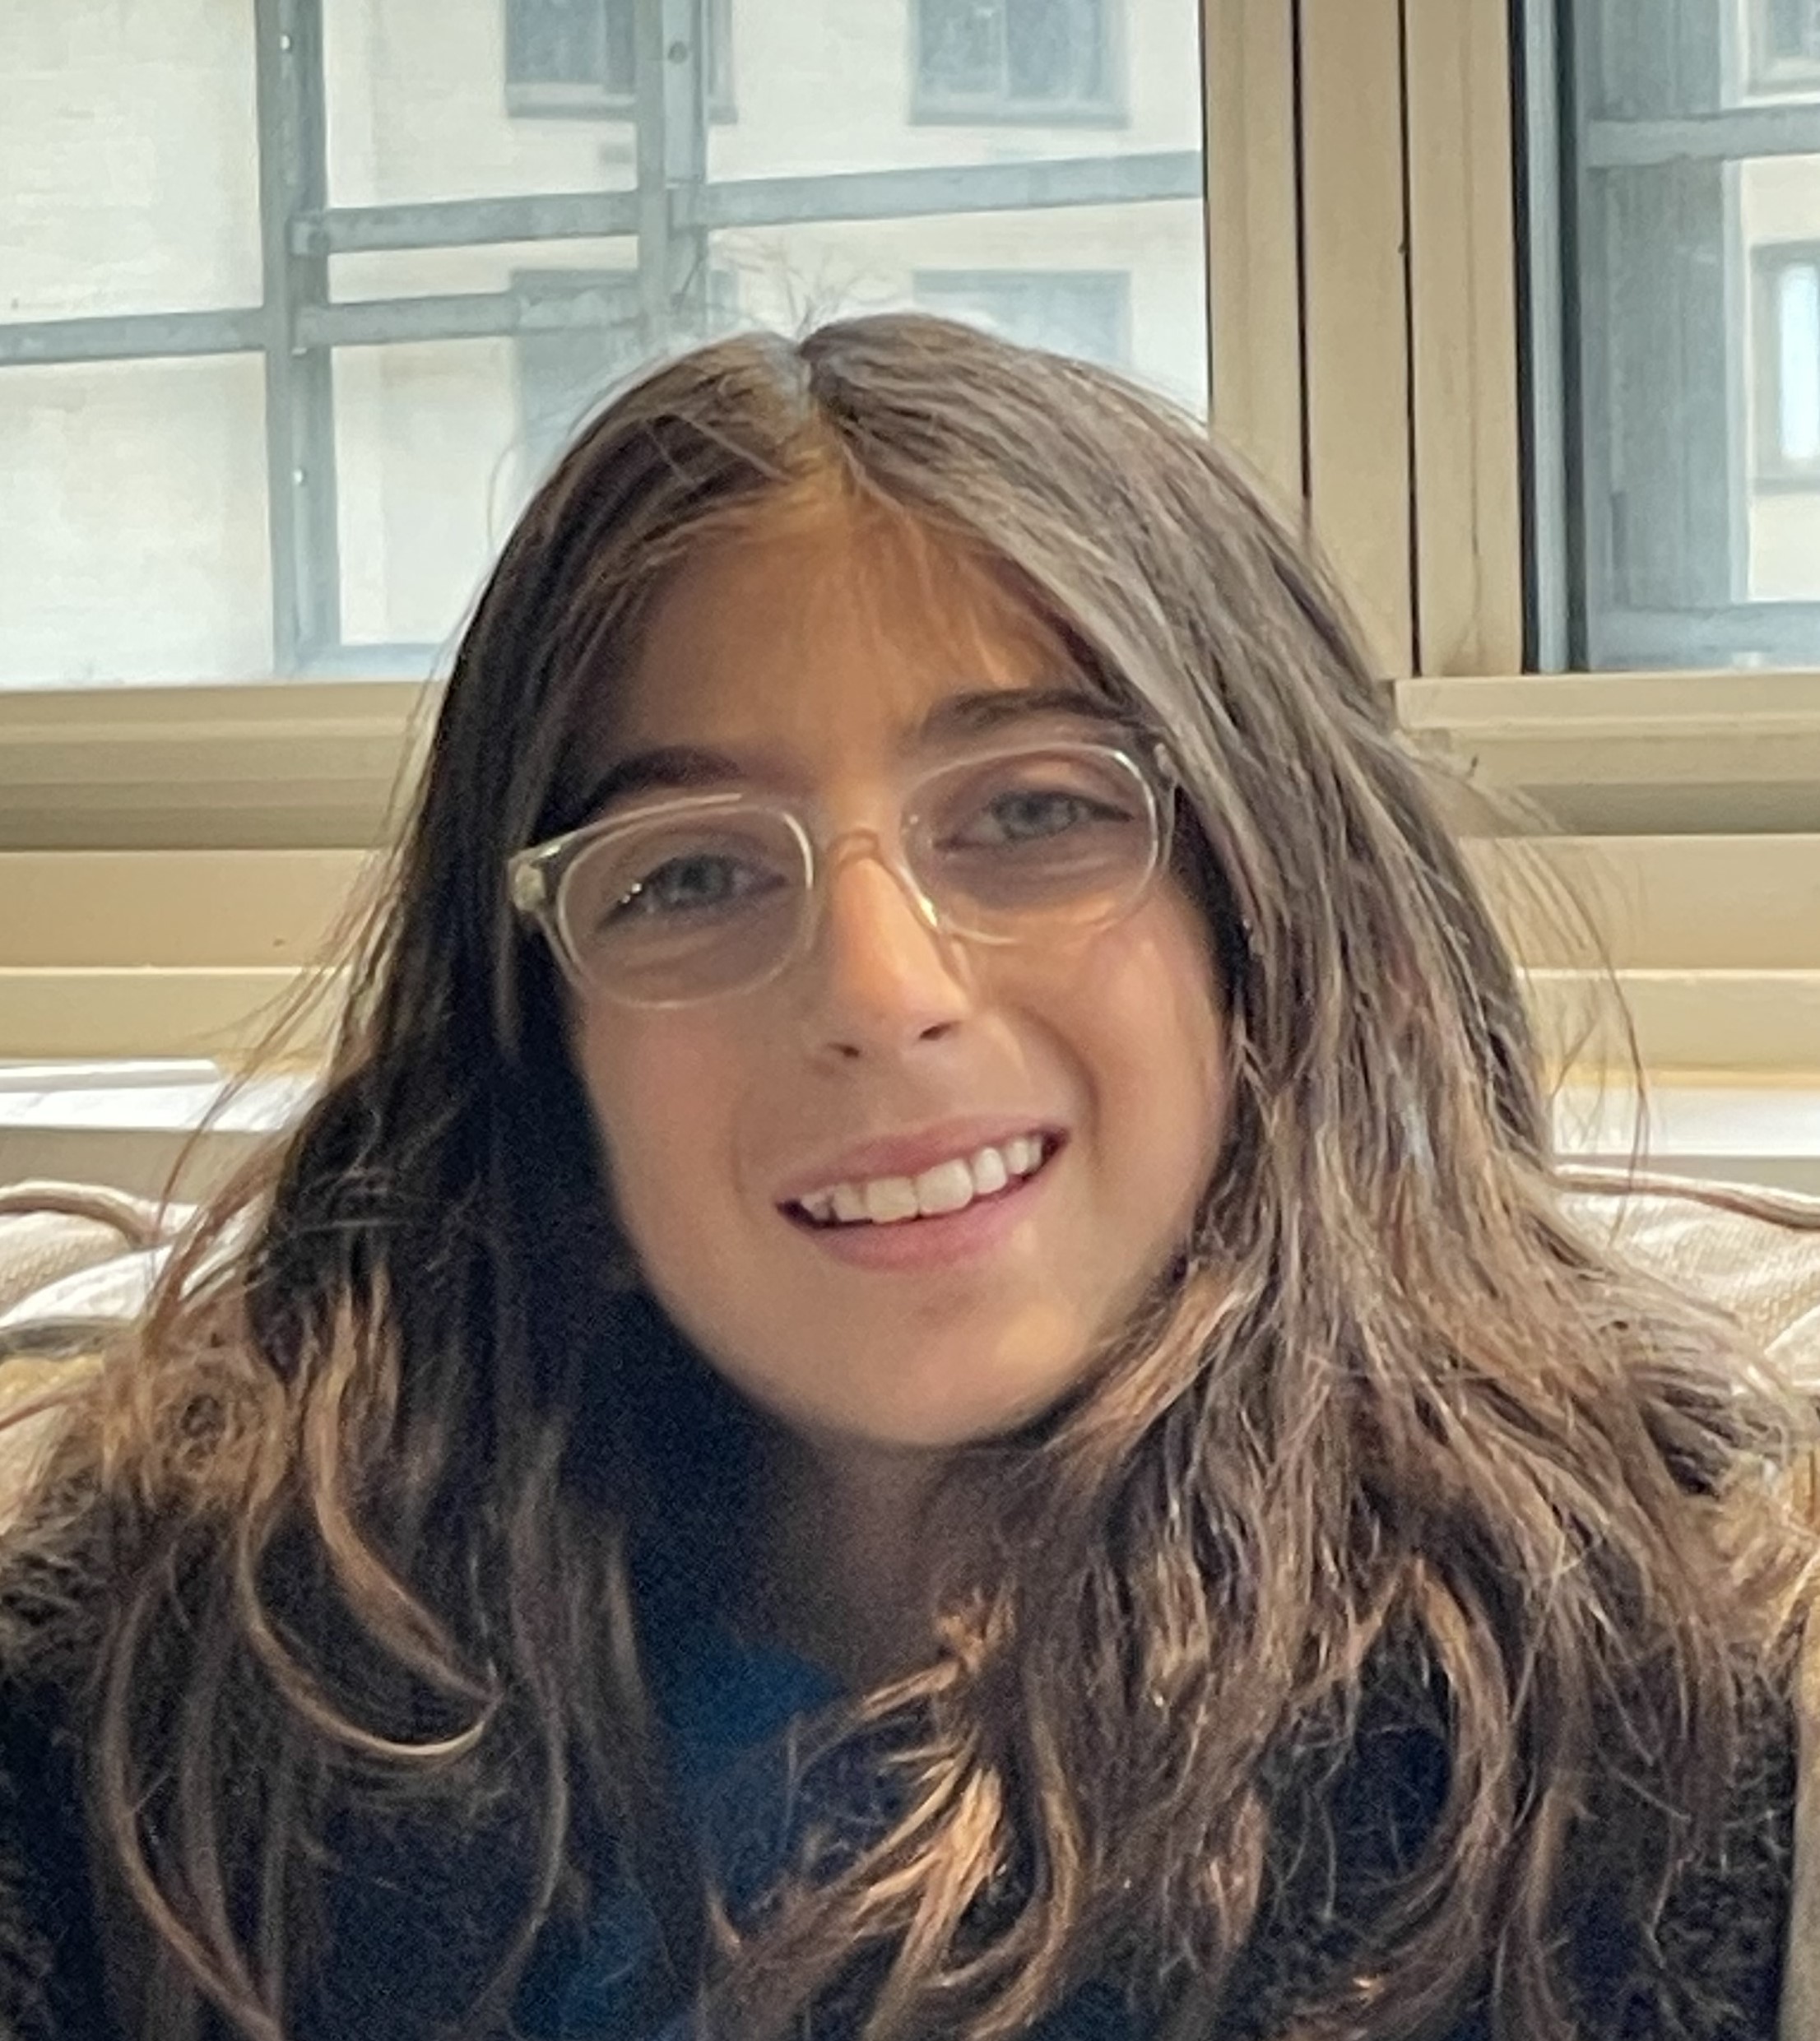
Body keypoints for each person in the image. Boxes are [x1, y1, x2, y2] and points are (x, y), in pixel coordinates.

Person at [0, 313, 1813, 2041]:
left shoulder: (1656, 1714)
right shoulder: (178, 1695)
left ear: (1282, 924)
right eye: (687, 874)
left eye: (1034, 810)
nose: (878, 990)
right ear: (543, 1065)